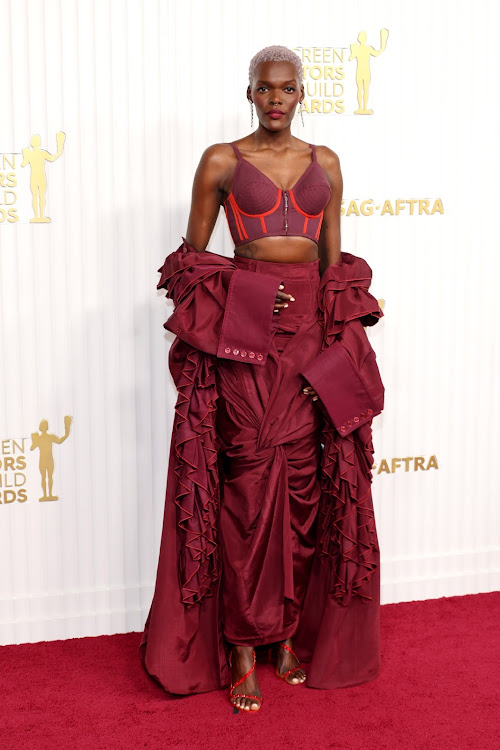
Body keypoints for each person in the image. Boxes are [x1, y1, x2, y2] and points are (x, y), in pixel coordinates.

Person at [139, 45, 384, 714]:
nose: (276, 99)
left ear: (302, 94)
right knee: (247, 483)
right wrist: (245, 291)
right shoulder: (221, 160)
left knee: (303, 488)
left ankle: (285, 637)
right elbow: (187, 264)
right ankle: (243, 647)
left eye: (288, 89)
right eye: (264, 88)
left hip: (309, 339)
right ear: (249, 93)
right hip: (247, 344)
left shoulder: (326, 163)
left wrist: (337, 348)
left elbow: (334, 266)